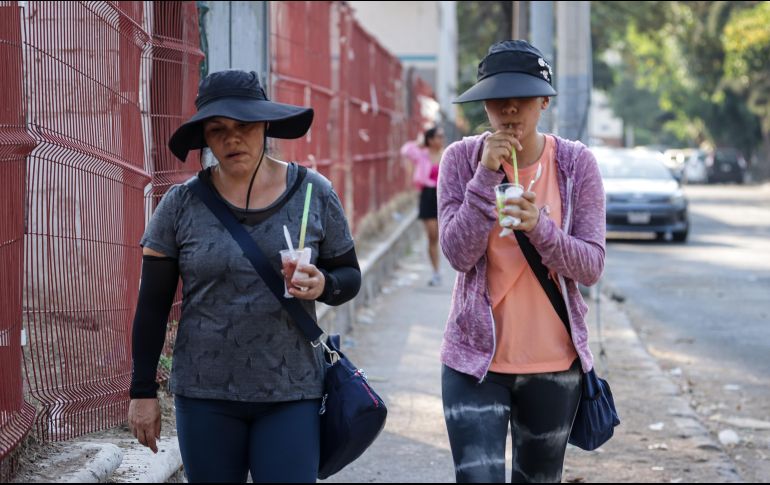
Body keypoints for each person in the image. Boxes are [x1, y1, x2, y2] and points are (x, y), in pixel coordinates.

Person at [127, 70, 361, 483]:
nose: (233, 139)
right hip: (204, 394)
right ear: (205, 138)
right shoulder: (180, 205)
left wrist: (324, 284)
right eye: (218, 130)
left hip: (291, 389)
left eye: (244, 126)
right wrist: (142, 391)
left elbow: (350, 276)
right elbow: (152, 305)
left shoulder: (314, 193)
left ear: (265, 125)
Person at [437, 40, 606, 483]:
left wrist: (540, 227)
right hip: (474, 362)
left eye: (523, 98)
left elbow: (590, 266)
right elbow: (457, 254)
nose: (510, 110)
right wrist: (484, 177)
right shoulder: (460, 159)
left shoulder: (575, 163)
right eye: (498, 100)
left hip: (553, 364)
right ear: (484, 105)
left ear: (544, 101)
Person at [401, 126, 445, 286]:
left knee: (444, 234)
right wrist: (419, 143)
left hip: (443, 195)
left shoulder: (446, 155)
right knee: (432, 235)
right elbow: (405, 150)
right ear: (431, 140)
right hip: (427, 195)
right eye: (438, 136)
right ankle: (436, 271)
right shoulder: (422, 155)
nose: (441, 139)